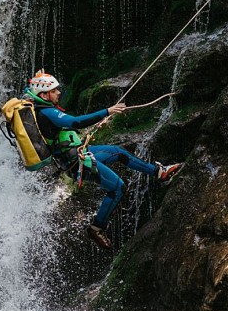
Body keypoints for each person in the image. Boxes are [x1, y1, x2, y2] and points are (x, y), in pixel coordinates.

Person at [24, 69, 183, 249]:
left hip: (79, 153)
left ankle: (159, 173)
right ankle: (97, 227)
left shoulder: (35, 103)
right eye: (54, 91)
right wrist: (106, 111)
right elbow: (75, 123)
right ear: (44, 95)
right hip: (77, 163)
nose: (59, 93)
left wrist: (38, 78)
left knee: (118, 152)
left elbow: (29, 90)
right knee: (118, 188)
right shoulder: (47, 113)